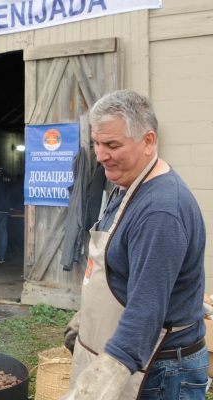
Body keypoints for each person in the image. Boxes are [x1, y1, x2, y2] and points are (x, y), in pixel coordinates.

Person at [62, 90, 207, 400]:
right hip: (142, 355)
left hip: (162, 371)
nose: (101, 156)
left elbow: (146, 310)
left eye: (112, 145)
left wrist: (100, 382)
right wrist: (86, 318)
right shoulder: (126, 185)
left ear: (148, 141)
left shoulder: (160, 211)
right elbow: (119, 268)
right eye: (97, 144)